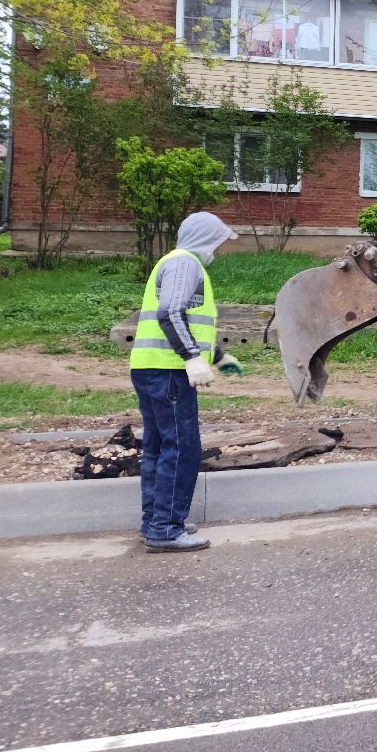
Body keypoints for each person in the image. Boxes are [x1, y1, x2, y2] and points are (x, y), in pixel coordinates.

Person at [130, 212, 243, 553]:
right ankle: (166, 529)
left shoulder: (175, 262)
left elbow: (187, 319)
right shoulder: (185, 264)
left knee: (158, 447)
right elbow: (170, 312)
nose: (218, 250)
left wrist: (218, 356)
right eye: (218, 243)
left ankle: (156, 521)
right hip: (169, 372)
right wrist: (192, 357)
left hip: (151, 368)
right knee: (181, 449)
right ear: (205, 239)